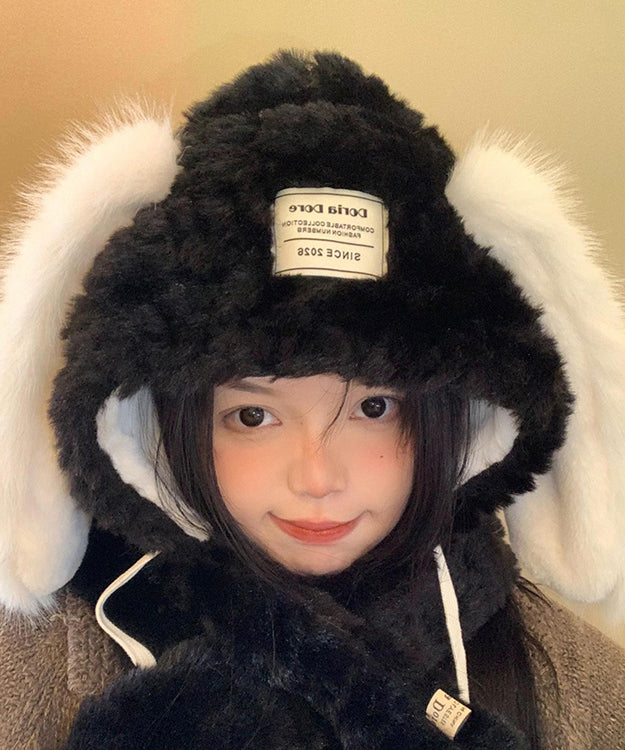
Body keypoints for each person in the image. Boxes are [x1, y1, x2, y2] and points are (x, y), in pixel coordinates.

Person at [1, 51, 625, 749]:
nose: (318, 478)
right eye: (252, 416)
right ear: (156, 425)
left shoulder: (589, 693)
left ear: (458, 415)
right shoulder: (24, 674)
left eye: (373, 409)